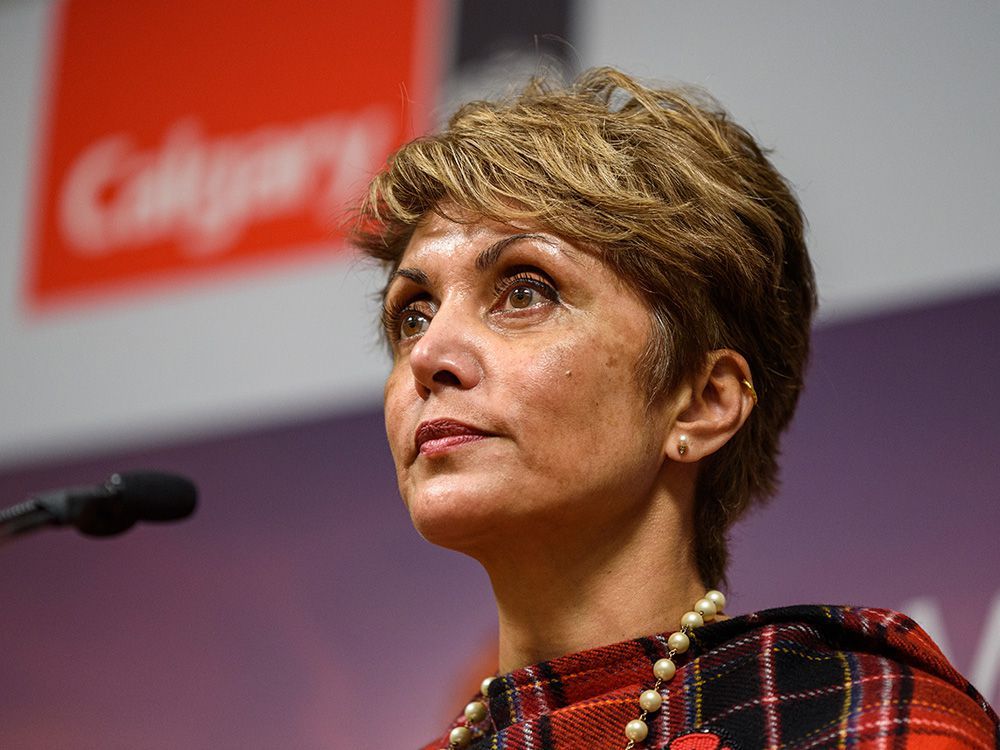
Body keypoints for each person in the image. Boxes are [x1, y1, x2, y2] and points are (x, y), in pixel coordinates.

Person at [353, 68, 998, 750]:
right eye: (413, 315)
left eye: (524, 291)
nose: (429, 356)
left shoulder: (864, 725)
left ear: (702, 403)